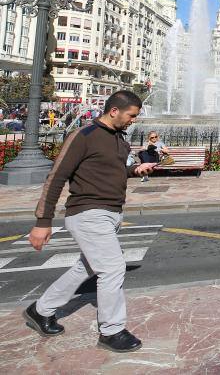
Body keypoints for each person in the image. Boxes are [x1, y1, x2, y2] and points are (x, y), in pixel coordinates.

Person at [24, 90, 156, 353]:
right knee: (113, 268)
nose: (134, 121)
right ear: (114, 111)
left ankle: (40, 310)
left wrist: (134, 170)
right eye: (131, 116)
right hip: (87, 213)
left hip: (111, 214)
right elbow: (57, 176)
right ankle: (112, 331)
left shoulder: (120, 139)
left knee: (87, 268)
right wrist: (43, 221)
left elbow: (114, 171)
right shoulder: (84, 136)